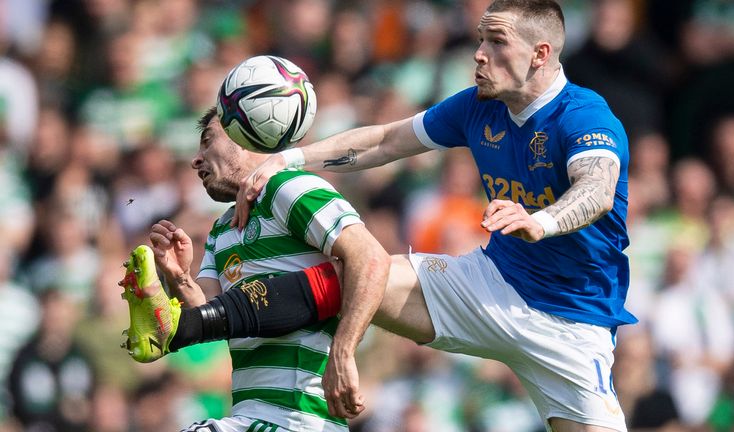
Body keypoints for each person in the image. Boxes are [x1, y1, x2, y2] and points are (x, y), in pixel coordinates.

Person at [232, 1, 635, 431]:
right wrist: (289, 159)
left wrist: (542, 222)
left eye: (497, 42)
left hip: (572, 320)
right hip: (492, 284)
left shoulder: (583, 114)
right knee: (360, 276)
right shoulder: (479, 107)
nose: (479, 53)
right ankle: (208, 333)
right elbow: (385, 141)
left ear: (540, 53)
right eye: (481, 39)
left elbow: (597, 189)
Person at [120, 106, 390, 432]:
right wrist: (178, 276)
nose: (196, 158)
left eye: (208, 141)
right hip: (250, 413)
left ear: (243, 135)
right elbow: (208, 315)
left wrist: (344, 353)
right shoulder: (221, 230)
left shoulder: (290, 188)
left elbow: (371, 257)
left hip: (300, 418)